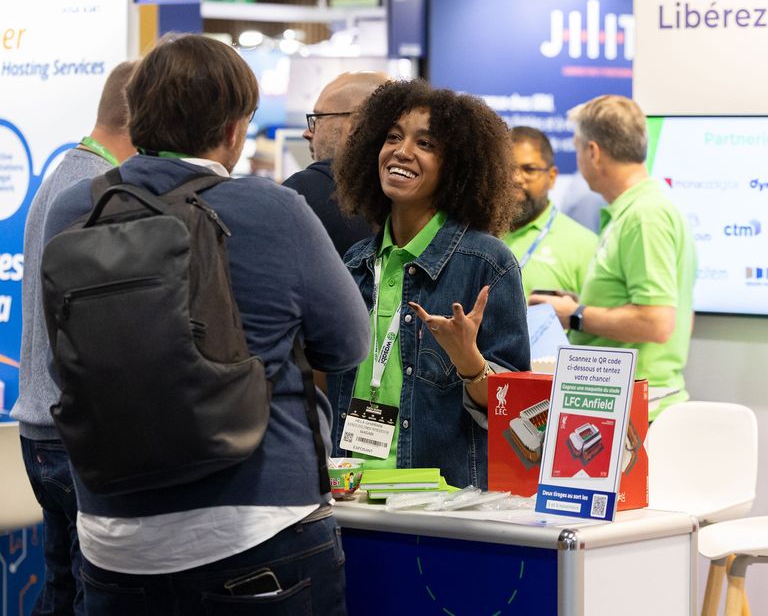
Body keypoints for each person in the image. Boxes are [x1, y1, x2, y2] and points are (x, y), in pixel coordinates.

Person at [40, 34, 369, 615]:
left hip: (113, 535)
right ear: (235, 129)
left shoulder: (78, 208)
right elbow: (348, 344)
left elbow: (63, 354)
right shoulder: (272, 209)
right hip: (258, 526)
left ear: (136, 115)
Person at [331, 79, 531, 489]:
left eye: (425, 143)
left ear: (456, 166)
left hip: (440, 502)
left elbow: (513, 412)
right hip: (353, 491)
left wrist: (469, 361)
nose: (402, 151)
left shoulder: (486, 264)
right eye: (392, 137)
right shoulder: (355, 264)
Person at [10, 60, 136, 616]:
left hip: (45, 431)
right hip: (73, 436)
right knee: (91, 598)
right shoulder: (94, 190)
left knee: (63, 591)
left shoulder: (69, 174)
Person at [530, 95, 697, 420]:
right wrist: (582, 307)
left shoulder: (644, 216)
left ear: (593, 152)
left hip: (634, 411)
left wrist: (575, 315)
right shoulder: (638, 211)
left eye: (577, 148)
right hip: (625, 405)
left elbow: (657, 322)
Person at [283, 71, 389, 259]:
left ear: (355, 125)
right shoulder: (412, 197)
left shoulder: (302, 192)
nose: (307, 133)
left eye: (318, 118)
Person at [502, 126, 598, 297]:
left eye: (529, 169)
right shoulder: (475, 234)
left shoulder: (585, 246)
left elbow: (597, 313)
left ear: (552, 177)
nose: (516, 179)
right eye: (507, 169)